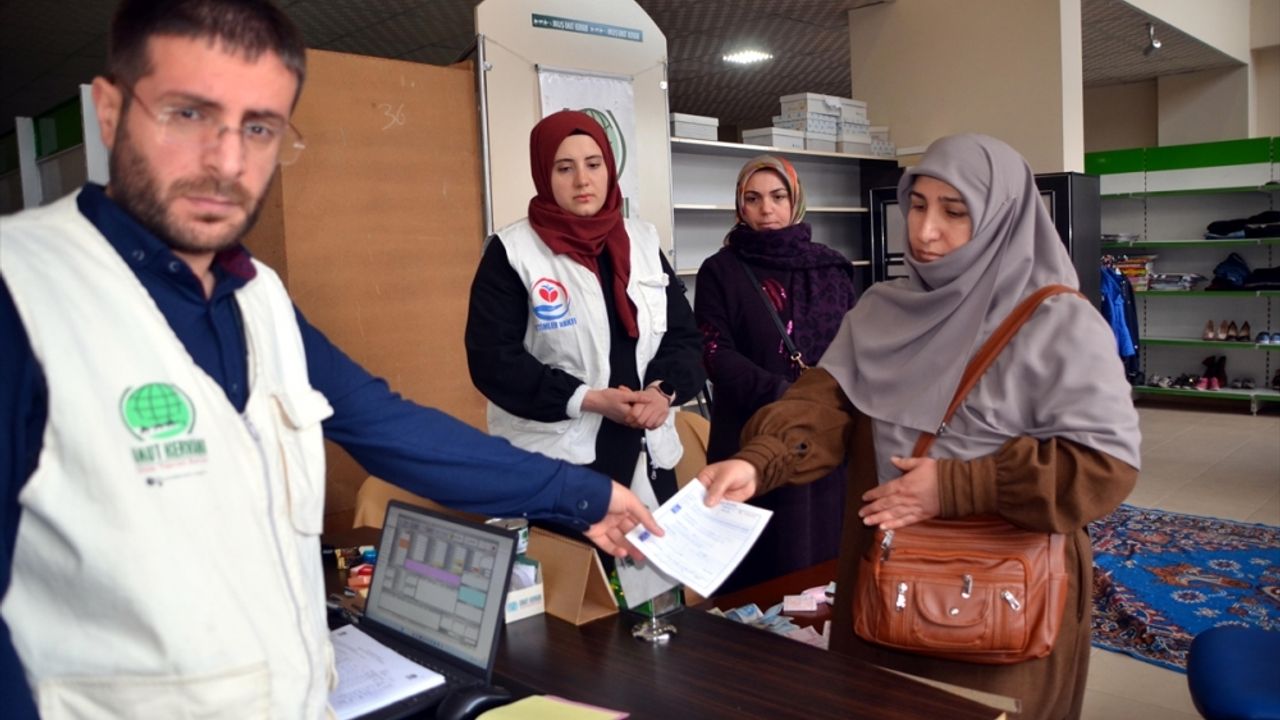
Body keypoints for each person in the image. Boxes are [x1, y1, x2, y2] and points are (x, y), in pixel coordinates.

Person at [0, 2, 661, 717]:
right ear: (110, 110)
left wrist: (584, 497)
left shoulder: (257, 297)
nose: (226, 161)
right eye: (187, 115)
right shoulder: (23, 289)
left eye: (259, 127)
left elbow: (391, 429)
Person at [699, 134, 1141, 719]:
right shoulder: (883, 310)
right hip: (884, 590)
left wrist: (955, 487)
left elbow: (1102, 469)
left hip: (1001, 608)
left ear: (1001, 217)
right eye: (917, 205)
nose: (926, 231)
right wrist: (758, 460)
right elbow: (824, 404)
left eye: (955, 212)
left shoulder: (1058, 323)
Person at [465, 111, 704, 514]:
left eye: (594, 165)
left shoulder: (643, 241)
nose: (582, 180)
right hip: (557, 461)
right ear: (544, 173)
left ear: (609, 169)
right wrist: (587, 399)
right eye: (564, 168)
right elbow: (493, 360)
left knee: (655, 572)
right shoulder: (512, 253)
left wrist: (663, 392)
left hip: (647, 445)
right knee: (580, 575)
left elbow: (684, 336)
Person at [694, 155, 855, 592]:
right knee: (754, 567)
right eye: (754, 198)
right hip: (748, 431)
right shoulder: (720, 270)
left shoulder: (832, 268)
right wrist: (785, 395)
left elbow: (854, 349)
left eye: (778, 196)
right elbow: (713, 351)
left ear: (796, 200)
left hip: (820, 439)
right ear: (740, 207)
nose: (767, 209)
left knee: (820, 565)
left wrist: (817, 407)